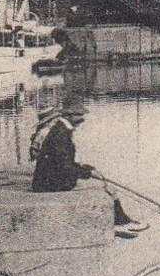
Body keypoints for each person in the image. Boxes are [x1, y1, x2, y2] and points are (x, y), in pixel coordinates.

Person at [30, 98, 146, 237]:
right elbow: (64, 167)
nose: (82, 119)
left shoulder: (61, 129)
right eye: (79, 115)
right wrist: (88, 172)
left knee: (103, 184)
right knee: (108, 189)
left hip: (52, 179)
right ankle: (120, 223)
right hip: (51, 184)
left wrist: (87, 168)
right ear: (69, 116)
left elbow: (64, 162)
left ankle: (122, 221)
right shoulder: (61, 134)